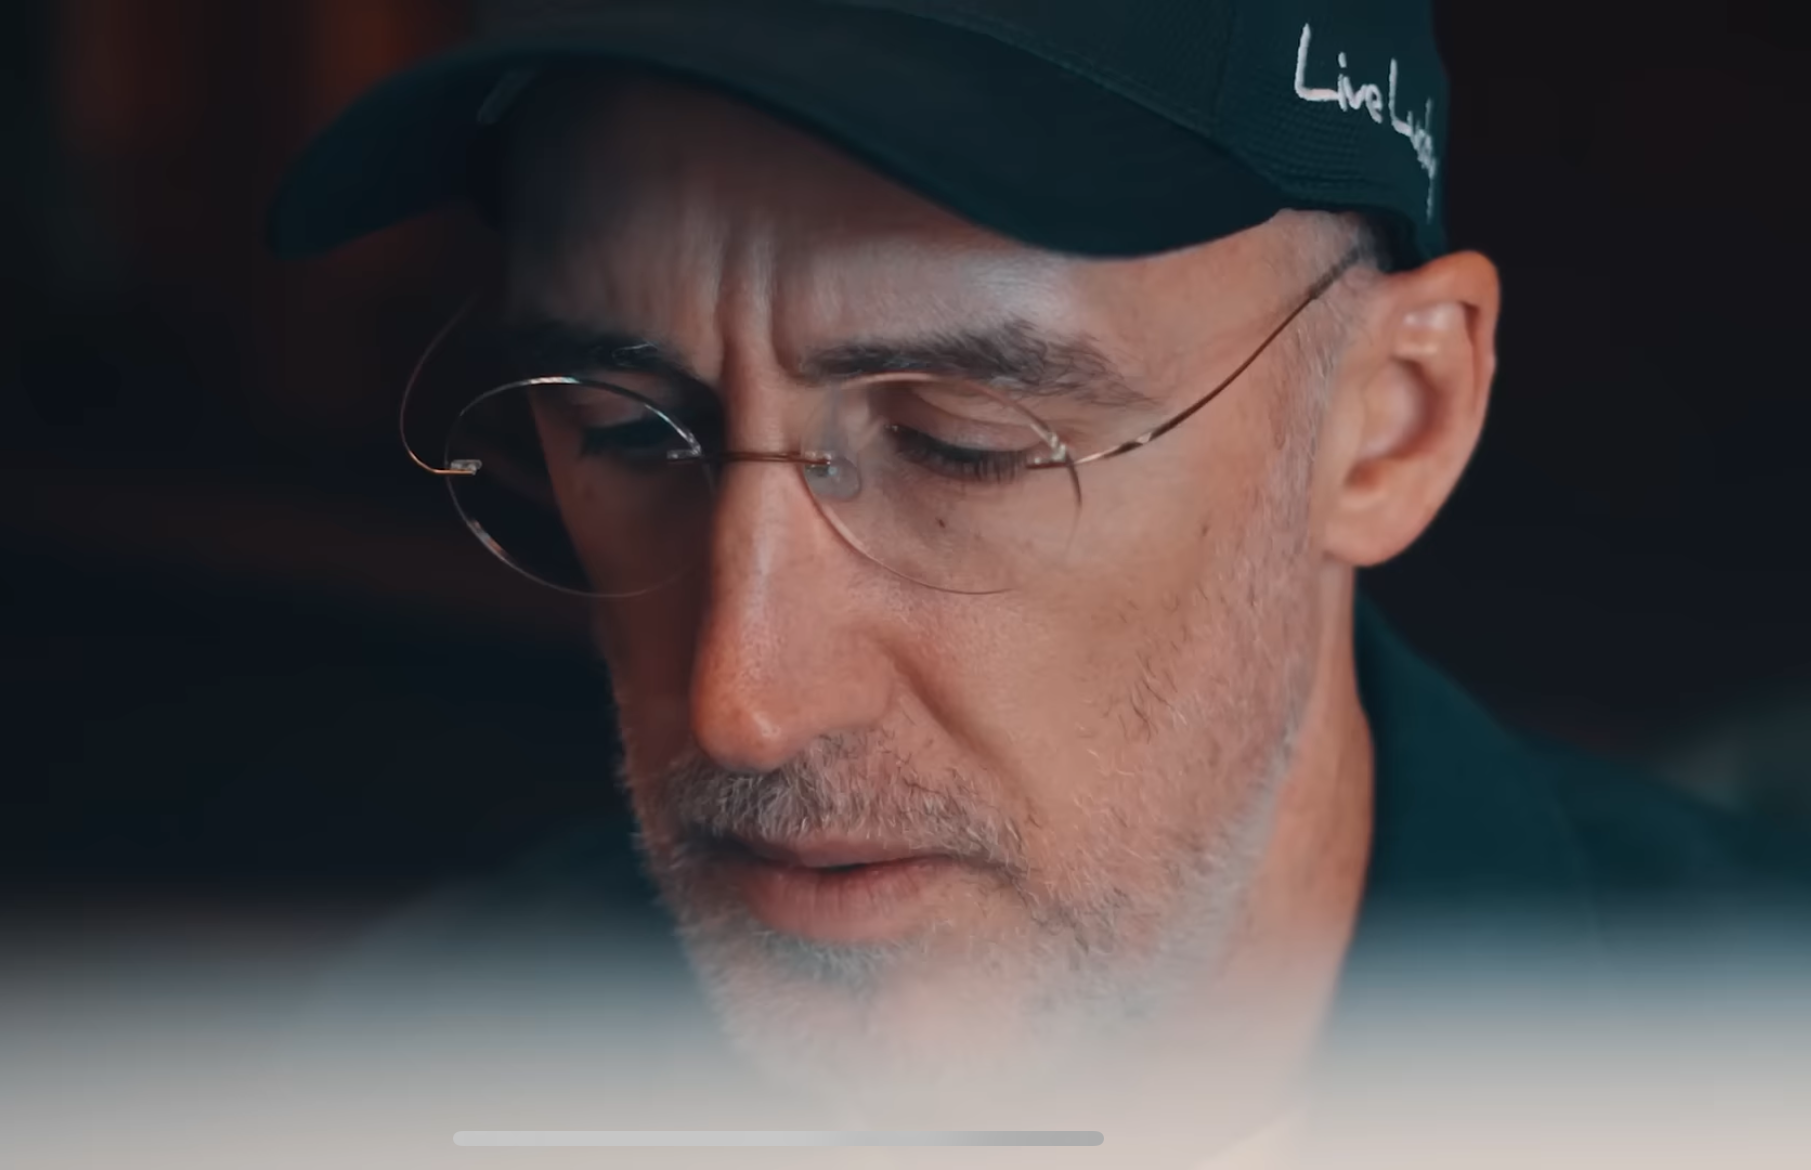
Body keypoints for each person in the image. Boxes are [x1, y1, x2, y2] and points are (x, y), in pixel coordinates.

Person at [267, 0, 1811, 1159]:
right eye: (626, 430)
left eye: (960, 448)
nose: (744, 703)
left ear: (1386, 424)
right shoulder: (390, 1090)